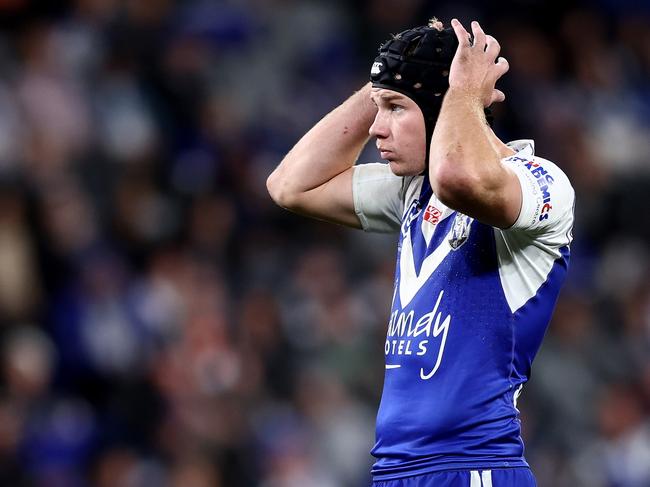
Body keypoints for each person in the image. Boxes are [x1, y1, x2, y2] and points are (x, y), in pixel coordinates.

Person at [267, 17, 574, 487]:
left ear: (438, 107)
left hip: (473, 467)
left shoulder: (539, 182)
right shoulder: (415, 193)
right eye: (379, 109)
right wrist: (385, 79)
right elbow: (291, 186)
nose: (375, 129)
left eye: (395, 108)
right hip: (395, 470)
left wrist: (462, 93)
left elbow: (458, 178)